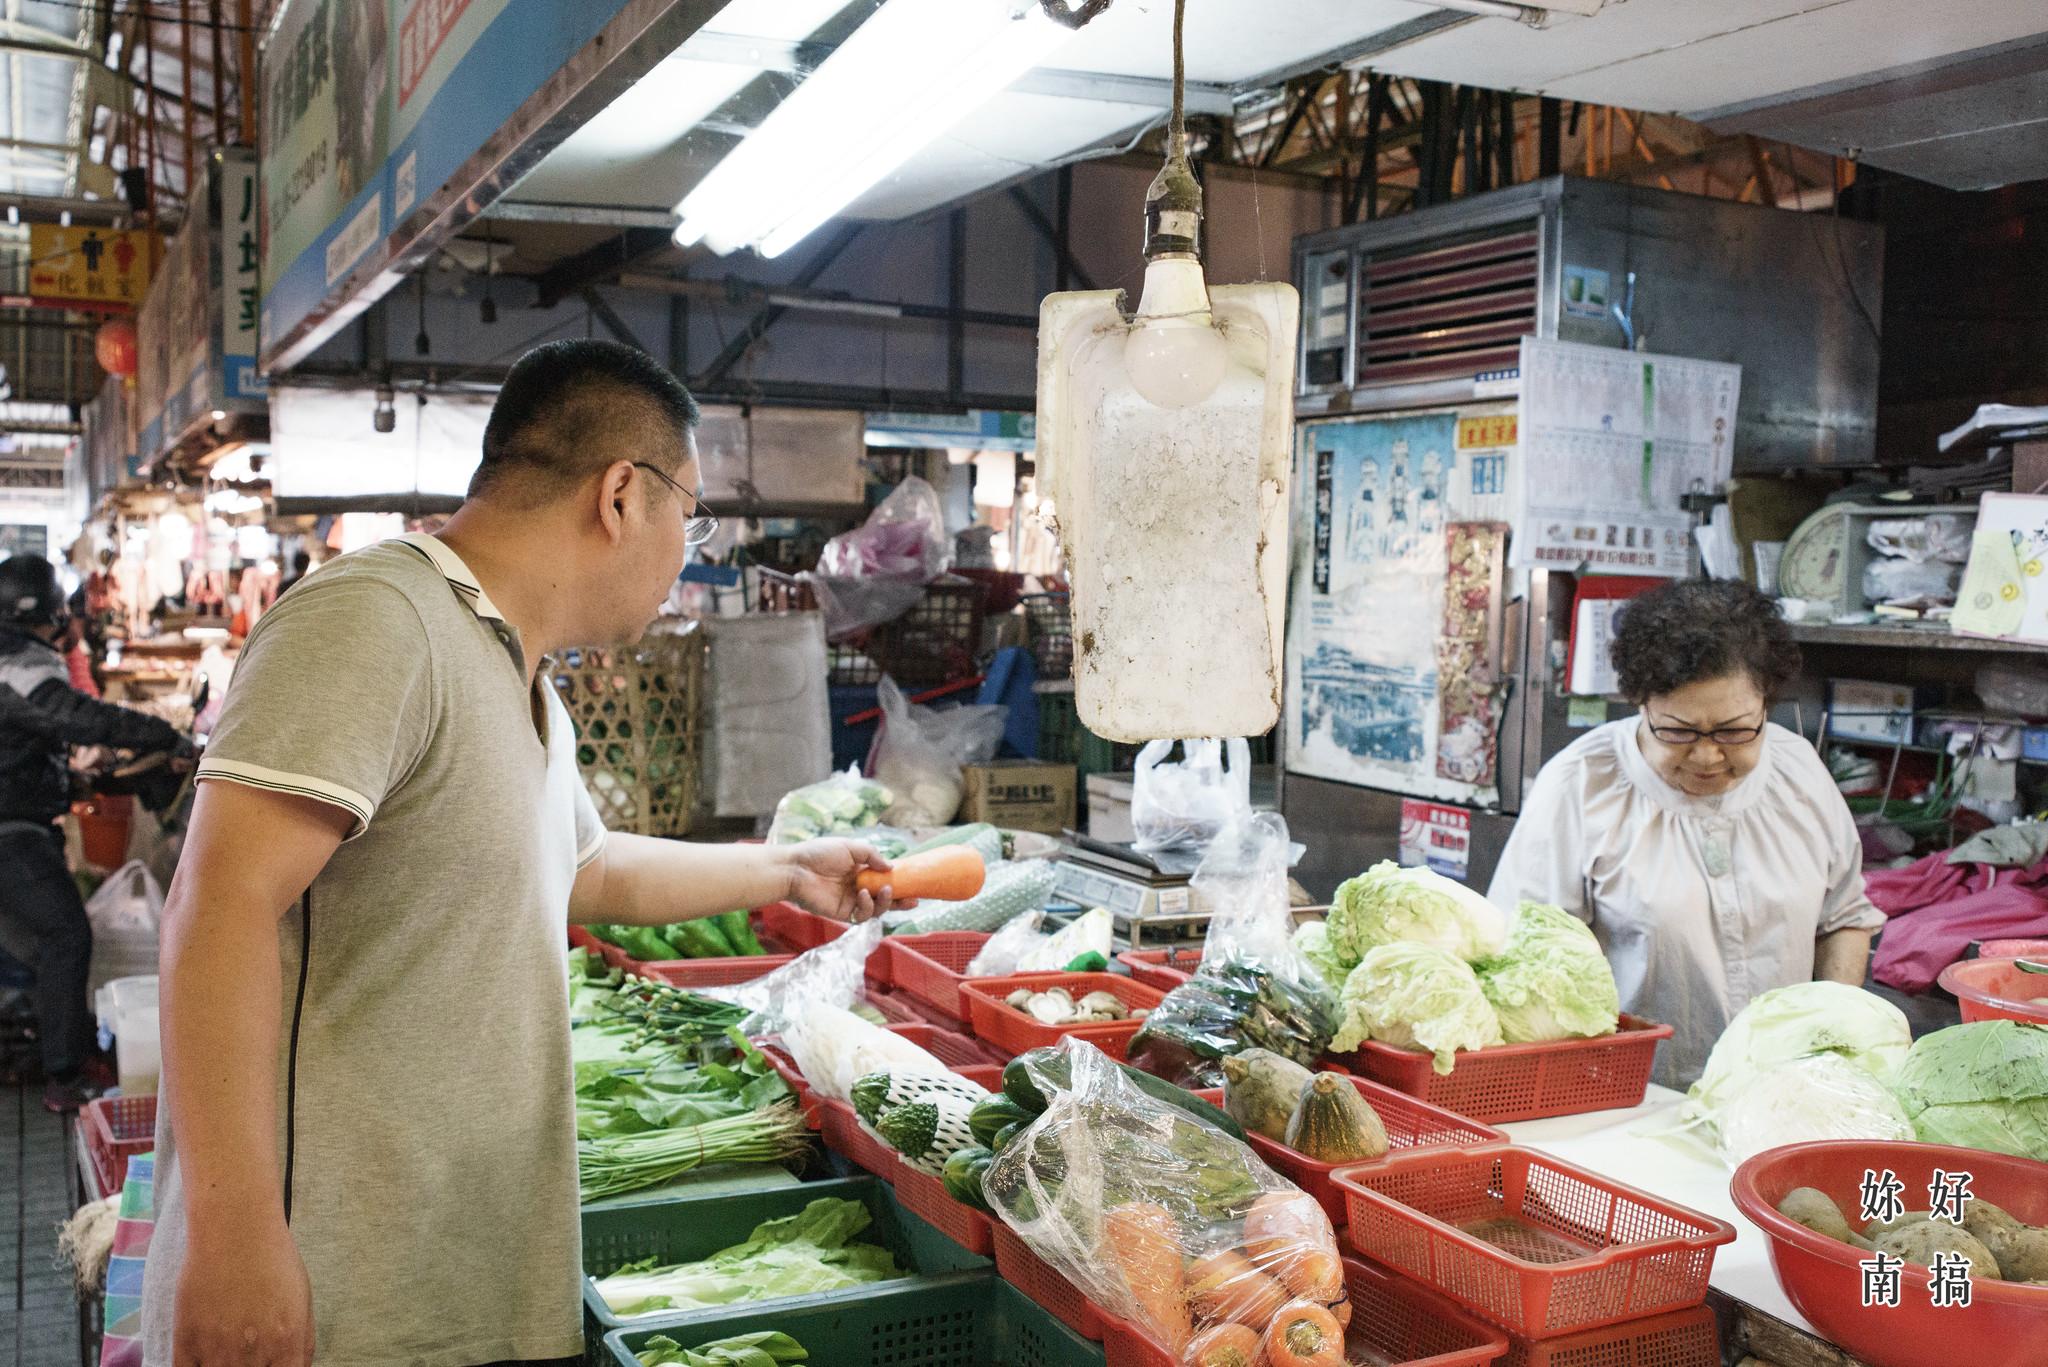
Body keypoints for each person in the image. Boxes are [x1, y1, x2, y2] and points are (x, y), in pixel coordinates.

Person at [140, 340, 897, 1367]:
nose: (689, 545)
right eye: (693, 510)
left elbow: (587, 869)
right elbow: (216, 905)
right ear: (621, 494)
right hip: (334, 1296)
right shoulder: (377, 621)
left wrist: (784, 868)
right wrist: (235, 1244)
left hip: (457, 1282)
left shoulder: (514, 671)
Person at [1487, 578, 1883, 1087]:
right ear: (1640, 704)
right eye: (1677, 731)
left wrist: (1834, 1044)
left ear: (1766, 703)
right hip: (1629, 1097)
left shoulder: (1797, 772)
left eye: (1735, 730)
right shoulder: (1581, 785)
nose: (1707, 755)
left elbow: (1844, 917)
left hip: (1782, 1092)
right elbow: (1525, 959)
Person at [0, 555, 190, 1111]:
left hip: (18, 820)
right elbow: (72, 715)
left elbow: (23, 743)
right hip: (10, 833)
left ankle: (51, 1048)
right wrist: (162, 734)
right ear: (53, 611)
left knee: (37, 947)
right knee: (64, 936)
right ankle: (64, 1077)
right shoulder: (20, 660)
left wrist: (78, 779)